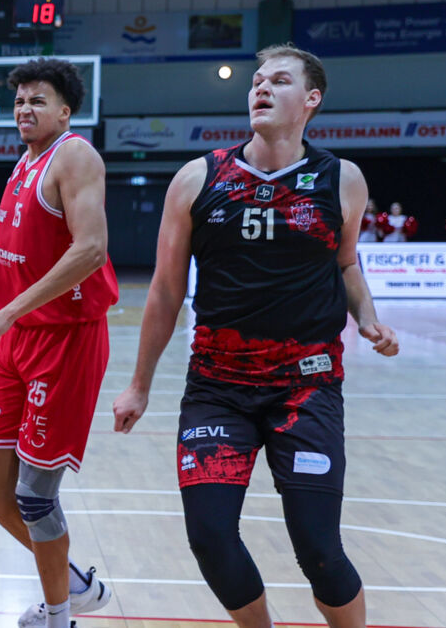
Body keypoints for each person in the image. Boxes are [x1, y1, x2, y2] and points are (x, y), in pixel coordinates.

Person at [112, 44, 400, 628]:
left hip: (307, 387)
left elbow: (346, 263)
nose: (261, 89)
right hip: (218, 386)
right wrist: (139, 384)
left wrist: (366, 316)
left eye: (279, 81)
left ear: (310, 100)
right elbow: (167, 291)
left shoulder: (341, 179)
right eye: (257, 81)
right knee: (211, 536)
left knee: (319, 550)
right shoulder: (199, 178)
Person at [0, 58, 118, 628]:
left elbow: (90, 249)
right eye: (20, 100)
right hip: (19, 338)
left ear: (65, 110)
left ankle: (58, 616)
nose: (26, 108)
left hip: (66, 341)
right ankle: (75, 585)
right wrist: (1, 324)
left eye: (38, 100)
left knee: (34, 496)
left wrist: (5, 315)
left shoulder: (74, 155)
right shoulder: (23, 162)